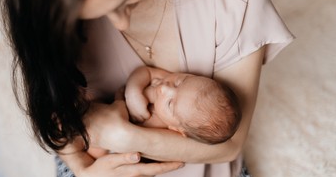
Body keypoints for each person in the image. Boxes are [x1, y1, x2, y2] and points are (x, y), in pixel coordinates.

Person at [0, 0, 294, 177]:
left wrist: (127, 136)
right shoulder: (52, 14)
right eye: (93, 15)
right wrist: (83, 172)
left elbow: (229, 144)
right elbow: (57, 115)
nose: (121, 22)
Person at [87, 65, 242, 158]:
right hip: (105, 108)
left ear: (177, 129)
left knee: (97, 150)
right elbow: (146, 71)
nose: (164, 88)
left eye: (170, 104)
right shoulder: (164, 79)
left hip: (113, 141)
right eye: (181, 81)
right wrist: (133, 92)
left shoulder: (163, 131)